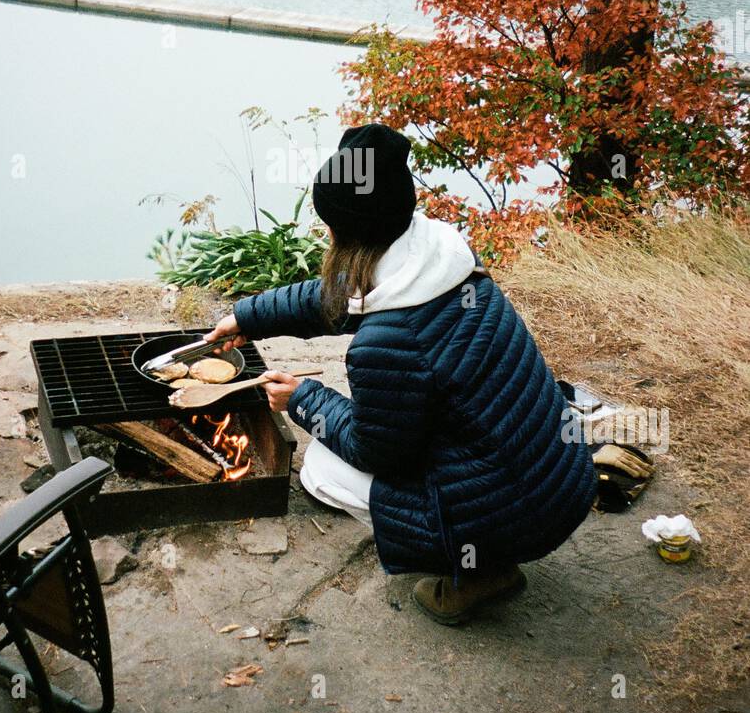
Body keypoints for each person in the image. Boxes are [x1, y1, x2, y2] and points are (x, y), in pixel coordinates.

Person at [206, 123, 597, 625]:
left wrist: (303, 399)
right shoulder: (442, 259)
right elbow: (339, 296)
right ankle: (483, 552)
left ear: (343, 232)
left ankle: (479, 574)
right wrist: (250, 316)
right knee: (409, 438)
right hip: (559, 479)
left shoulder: (386, 343)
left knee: (320, 470)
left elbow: (376, 452)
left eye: (328, 222)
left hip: (515, 516)